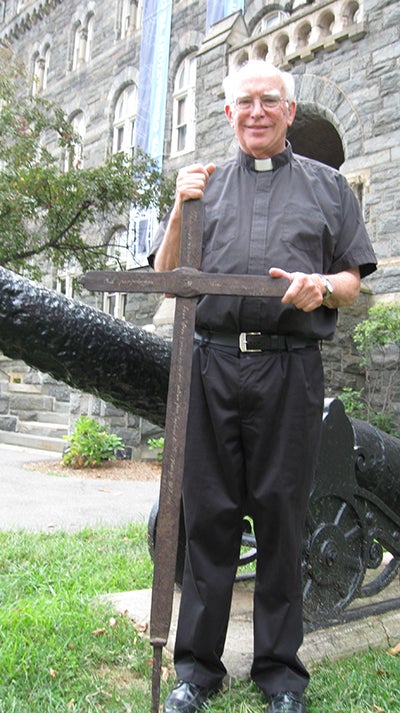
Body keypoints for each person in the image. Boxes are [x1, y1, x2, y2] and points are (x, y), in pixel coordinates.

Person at [149, 61, 376, 713]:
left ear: (289, 109)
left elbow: (351, 280)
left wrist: (322, 288)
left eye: (268, 100)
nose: (255, 111)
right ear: (227, 114)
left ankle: (279, 672)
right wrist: (177, 206)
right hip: (211, 366)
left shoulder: (330, 189)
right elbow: (167, 274)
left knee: (281, 517)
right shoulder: (203, 187)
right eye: (243, 101)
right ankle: (197, 668)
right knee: (208, 517)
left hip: (289, 369)